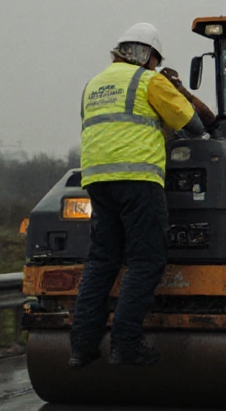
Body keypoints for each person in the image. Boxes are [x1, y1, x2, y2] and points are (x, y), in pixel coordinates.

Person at [68, 23, 217, 368]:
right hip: (138, 178)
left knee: (102, 260)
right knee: (145, 260)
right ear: (150, 56)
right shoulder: (149, 81)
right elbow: (193, 125)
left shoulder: (94, 84)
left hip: (96, 179)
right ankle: (126, 344)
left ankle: (82, 347)